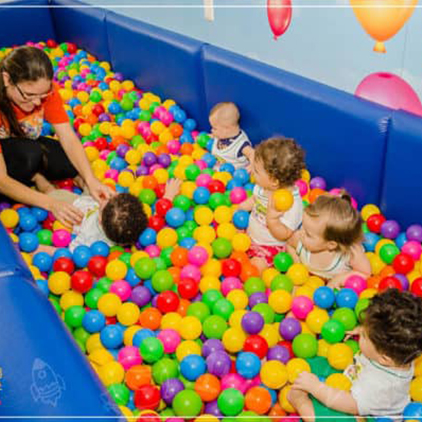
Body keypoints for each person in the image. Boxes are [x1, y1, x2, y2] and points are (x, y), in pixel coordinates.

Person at [0, 45, 112, 226]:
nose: (37, 102)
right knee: (30, 155)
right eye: (28, 95)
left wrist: (91, 181)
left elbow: (68, 137)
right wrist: (51, 204)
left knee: (66, 161)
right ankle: (37, 180)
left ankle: (37, 177)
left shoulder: (46, 92)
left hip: (23, 143)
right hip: (9, 160)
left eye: (42, 95)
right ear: (7, 80)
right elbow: (1, 181)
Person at [288, 288, 422, 422]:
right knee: (316, 362)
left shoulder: (380, 386)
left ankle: (301, 404)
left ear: (384, 358)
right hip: (355, 377)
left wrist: (316, 387)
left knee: (332, 419)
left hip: (366, 413)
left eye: (364, 336)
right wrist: (365, 331)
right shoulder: (400, 352)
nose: (361, 330)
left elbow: (350, 404)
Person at [35, 178, 181, 253]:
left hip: (74, 207)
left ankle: (37, 178)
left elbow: (68, 253)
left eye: (105, 201)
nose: (107, 196)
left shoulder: (92, 241)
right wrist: (169, 195)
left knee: (50, 191)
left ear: (99, 219)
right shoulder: (137, 227)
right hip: (89, 199)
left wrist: (35, 249)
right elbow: (157, 219)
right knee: (88, 181)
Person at [238, 137, 305, 273]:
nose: (251, 172)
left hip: (271, 247)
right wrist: (241, 207)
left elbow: (285, 234)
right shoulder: (263, 186)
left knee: (253, 270)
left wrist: (272, 220)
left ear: (273, 181)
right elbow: (255, 199)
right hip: (249, 237)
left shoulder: (292, 204)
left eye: (256, 171)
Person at [286, 192, 371, 287]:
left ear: (331, 245)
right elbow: (289, 244)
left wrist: (339, 279)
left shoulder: (350, 253)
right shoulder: (299, 239)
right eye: (303, 226)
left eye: (308, 234)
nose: (301, 232)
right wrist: (297, 263)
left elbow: (365, 272)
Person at [209, 102, 254, 169]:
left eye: (214, 128)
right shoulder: (221, 135)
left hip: (232, 177)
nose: (211, 130)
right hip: (214, 172)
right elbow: (212, 136)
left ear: (227, 129)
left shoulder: (240, 144)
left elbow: (253, 153)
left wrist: (252, 166)